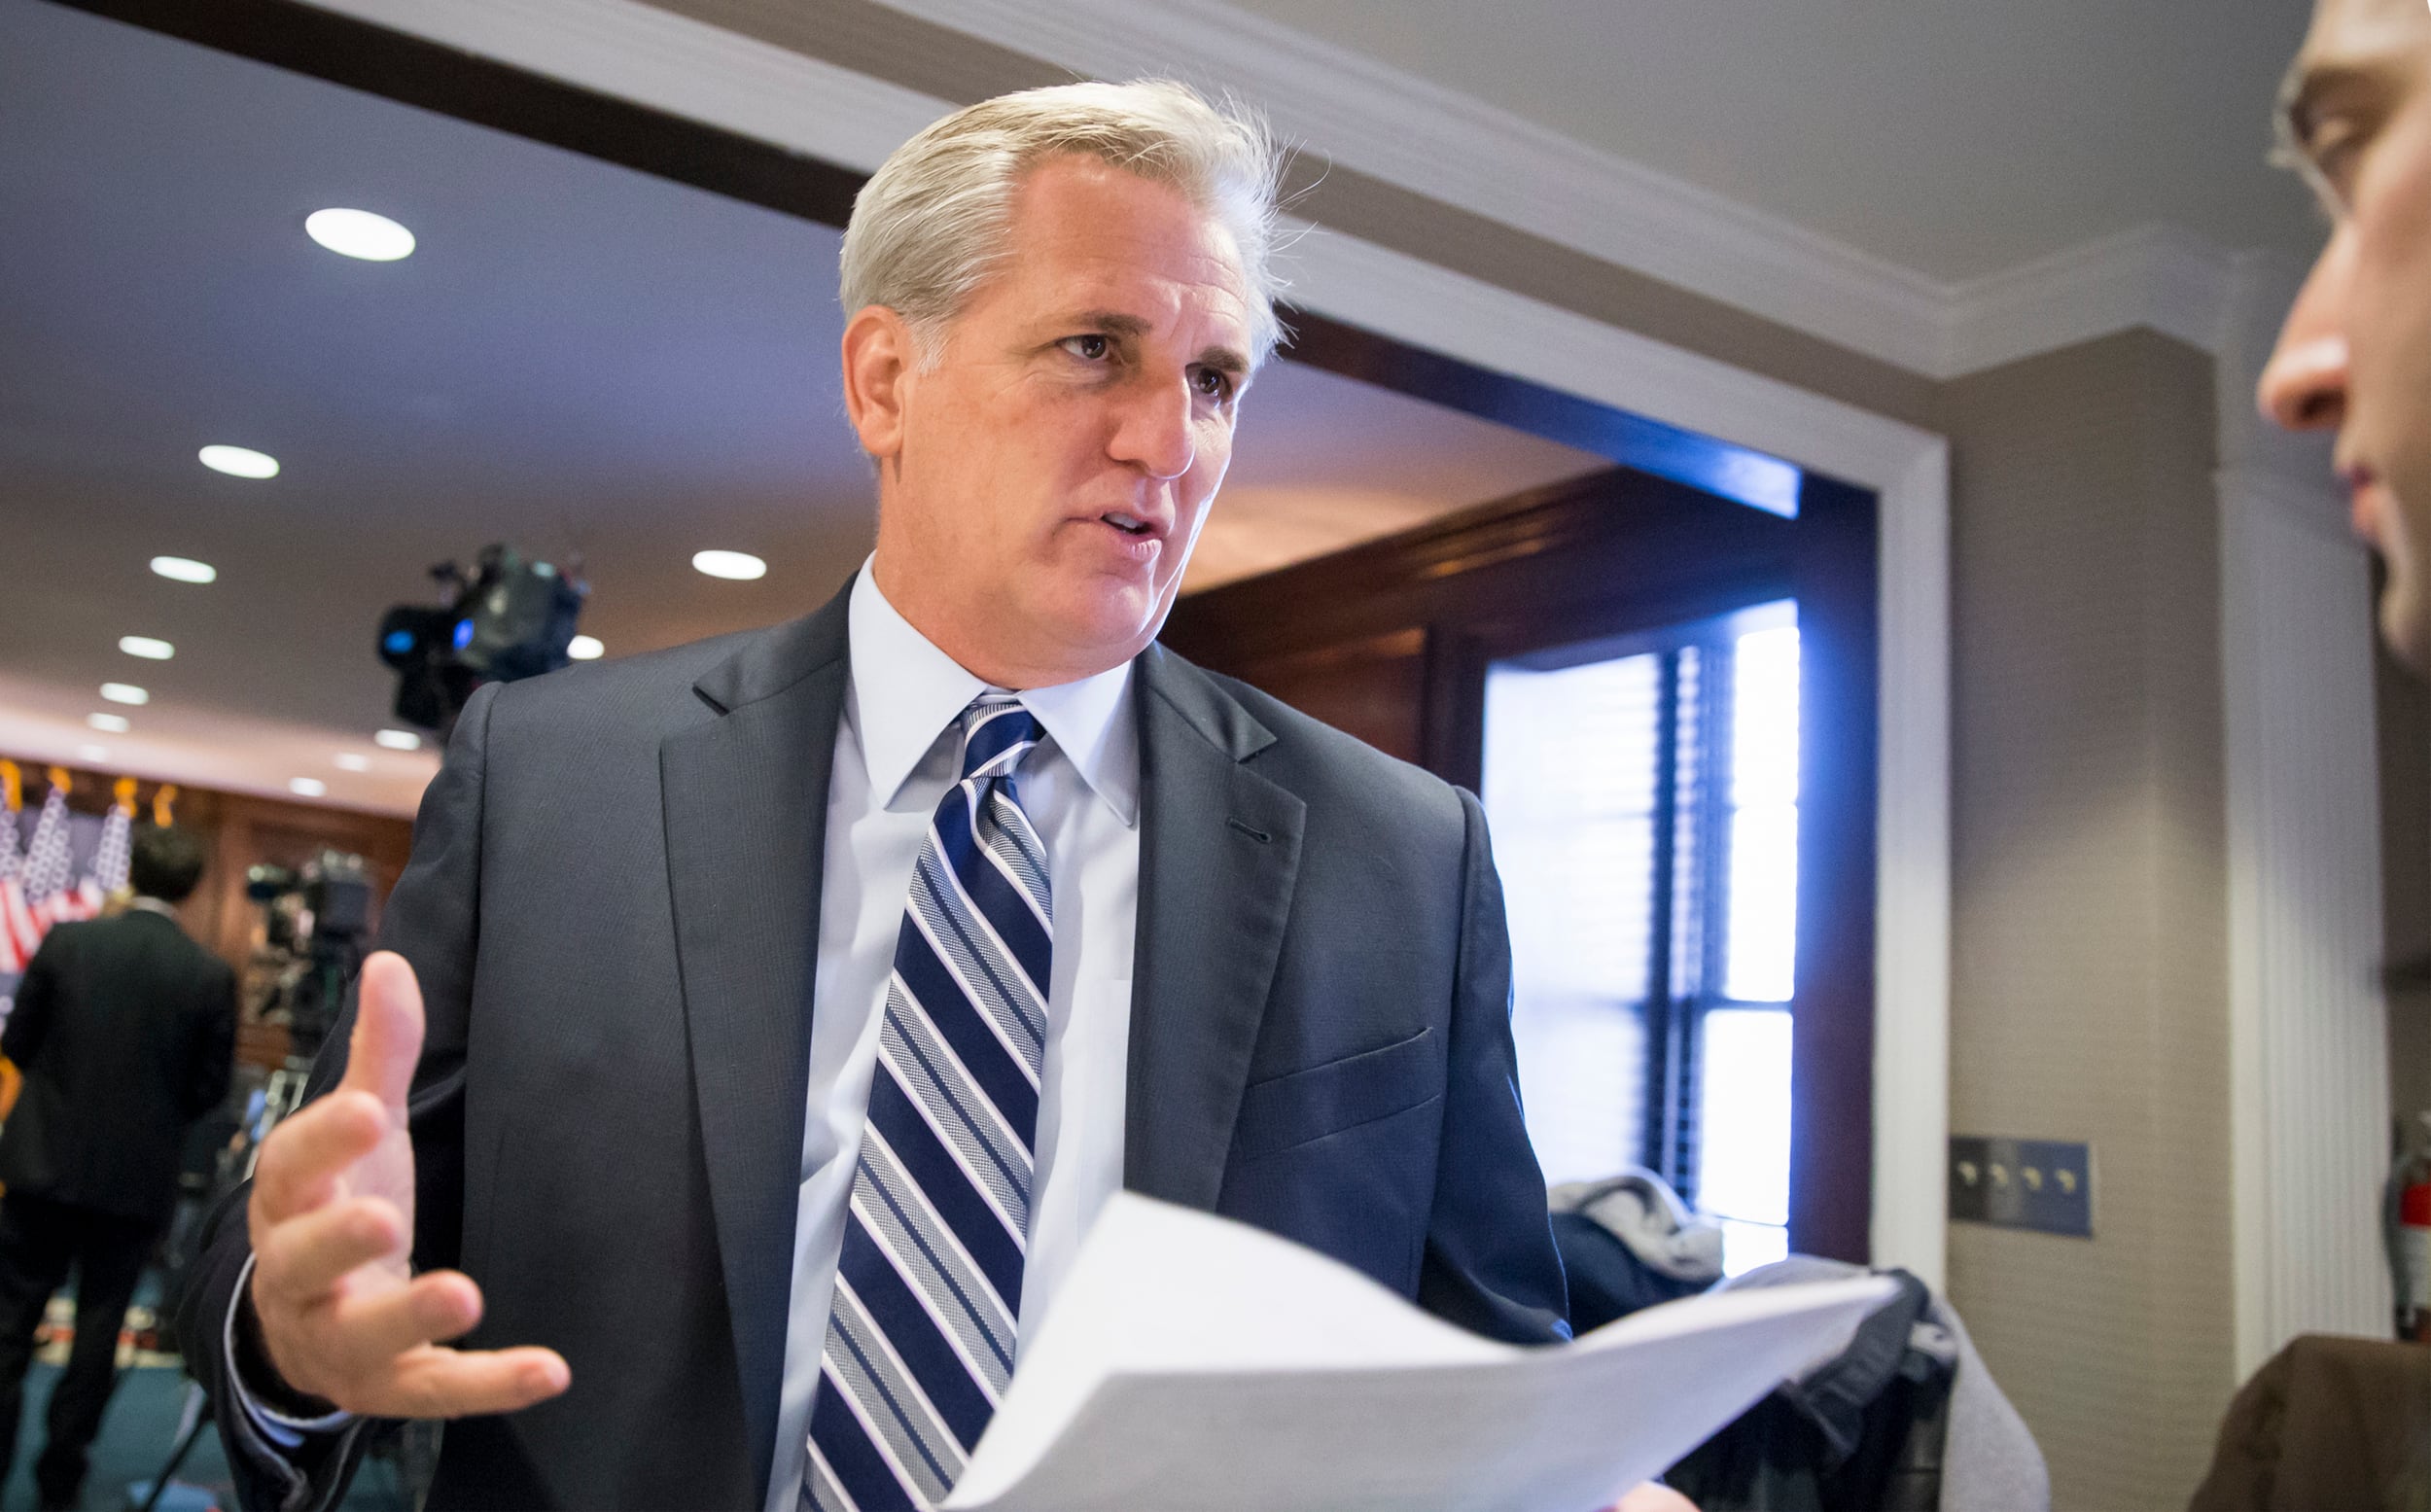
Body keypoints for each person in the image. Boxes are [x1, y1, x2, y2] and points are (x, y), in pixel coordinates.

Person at [182, 80, 1574, 1511]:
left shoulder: (1403, 855)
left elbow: (1492, 1365)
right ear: (885, 383)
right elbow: (321, 1229)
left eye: (1213, 381)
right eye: (1096, 347)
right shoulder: (554, 782)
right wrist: (290, 1333)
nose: (1167, 442)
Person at [0, 823, 234, 1509]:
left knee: (8, 1324)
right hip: (133, 1185)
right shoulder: (206, 974)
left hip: (40, 1167)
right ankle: (60, 1480)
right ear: (192, 889)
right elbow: (209, 1090)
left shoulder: (69, 942)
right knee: (99, 1334)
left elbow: (17, 1043)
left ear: (132, 871)